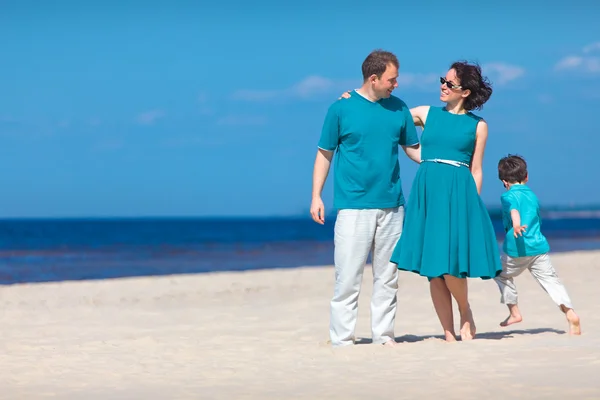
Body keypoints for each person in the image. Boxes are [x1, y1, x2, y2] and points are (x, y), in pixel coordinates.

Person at [341, 61, 502, 342]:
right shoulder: (427, 113)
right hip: (428, 190)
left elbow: (477, 169)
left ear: (464, 92)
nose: (443, 85)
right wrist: (355, 98)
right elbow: (390, 112)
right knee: (434, 268)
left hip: (459, 192)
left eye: (450, 83)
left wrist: (472, 205)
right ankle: (448, 332)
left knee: (450, 263)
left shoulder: (478, 126)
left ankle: (465, 311)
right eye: (443, 79)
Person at [311, 49, 420, 347]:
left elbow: (412, 148)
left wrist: (439, 161)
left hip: (393, 208)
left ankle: (383, 336)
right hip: (353, 208)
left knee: (388, 278)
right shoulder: (340, 109)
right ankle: (342, 340)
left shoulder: (399, 108)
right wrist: (316, 196)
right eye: (391, 79)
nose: (395, 84)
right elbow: (324, 154)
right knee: (347, 279)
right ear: (374, 78)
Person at [494, 154, 581, 335]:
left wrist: (516, 225)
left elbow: (514, 210)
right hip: (539, 249)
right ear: (526, 177)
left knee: (498, 273)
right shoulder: (532, 195)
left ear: (504, 181)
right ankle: (570, 313)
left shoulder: (508, 196)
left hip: (517, 251)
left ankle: (514, 312)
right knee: (551, 282)